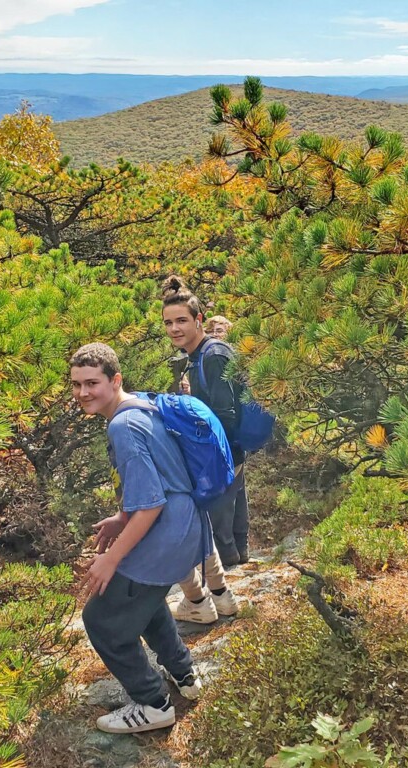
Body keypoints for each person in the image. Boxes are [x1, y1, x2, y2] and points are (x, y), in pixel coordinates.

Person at [70, 343, 207, 733]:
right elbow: (157, 480)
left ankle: (152, 703)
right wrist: (121, 517)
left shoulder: (122, 425)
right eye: (77, 384)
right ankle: (184, 674)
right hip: (183, 527)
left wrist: (111, 559)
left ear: (115, 380)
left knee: (102, 619)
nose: (83, 393)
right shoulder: (142, 408)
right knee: (143, 598)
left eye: (92, 383)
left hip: (164, 532)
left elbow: (151, 505)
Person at [161, 276, 250, 624]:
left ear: (199, 320)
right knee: (214, 525)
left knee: (203, 527)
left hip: (222, 457)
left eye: (181, 320)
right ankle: (223, 598)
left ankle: (212, 603)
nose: (174, 328)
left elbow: (225, 415)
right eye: (168, 323)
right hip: (222, 455)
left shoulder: (213, 355)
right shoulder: (197, 356)